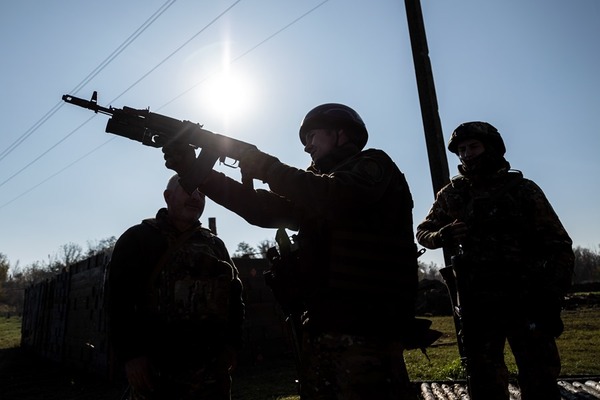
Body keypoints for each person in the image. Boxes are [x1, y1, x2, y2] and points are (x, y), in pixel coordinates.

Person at [163, 103, 439, 400]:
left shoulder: (372, 166)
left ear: (340, 133)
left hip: (369, 326)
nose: (307, 147)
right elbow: (260, 209)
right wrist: (198, 173)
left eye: (311, 136)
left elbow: (332, 196)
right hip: (323, 323)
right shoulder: (314, 186)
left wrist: (267, 167)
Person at [415, 121, 574, 400]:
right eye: (461, 150)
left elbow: (559, 244)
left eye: (473, 146)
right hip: (478, 300)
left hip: (526, 296)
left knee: (539, 375)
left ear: (492, 148)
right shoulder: (452, 193)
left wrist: (552, 295)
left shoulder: (523, 189)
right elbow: (422, 232)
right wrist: (443, 234)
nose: (466, 155)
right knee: (483, 376)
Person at [107, 174, 245, 400]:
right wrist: (132, 356)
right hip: (157, 374)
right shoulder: (137, 239)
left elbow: (235, 297)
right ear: (167, 197)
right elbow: (118, 301)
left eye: (201, 192)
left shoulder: (215, 245)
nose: (196, 196)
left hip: (211, 375)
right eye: (189, 188)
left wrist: (232, 345)